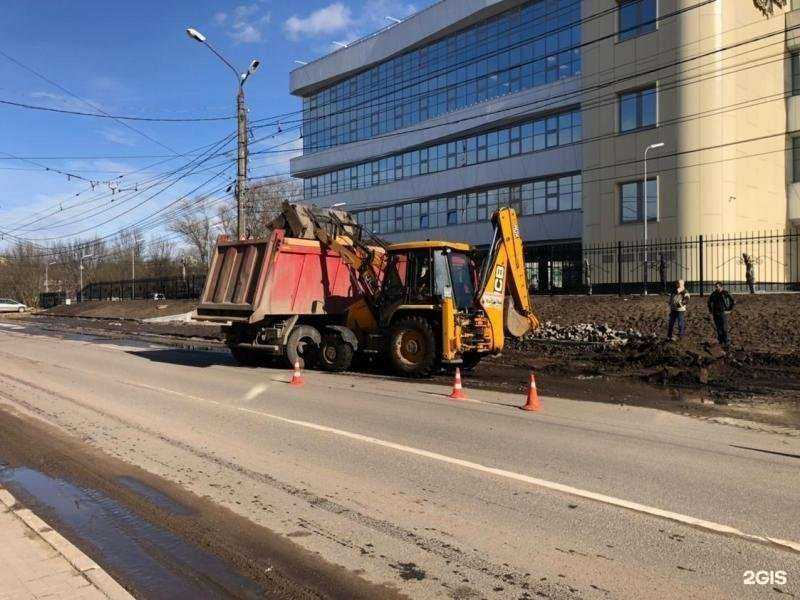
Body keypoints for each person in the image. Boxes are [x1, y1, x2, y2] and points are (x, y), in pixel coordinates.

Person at [707, 281, 735, 348]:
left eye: (717, 287)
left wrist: (729, 309)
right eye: (716, 287)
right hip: (715, 312)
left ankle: (726, 341)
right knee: (718, 327)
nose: (716, 288)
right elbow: (709, 302)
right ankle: (720, 340)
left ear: (721, 286)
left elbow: (732, 301)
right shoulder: (714, 294)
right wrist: (710, 310)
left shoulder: (725, 293)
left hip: (723, 312)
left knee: (724, 328)